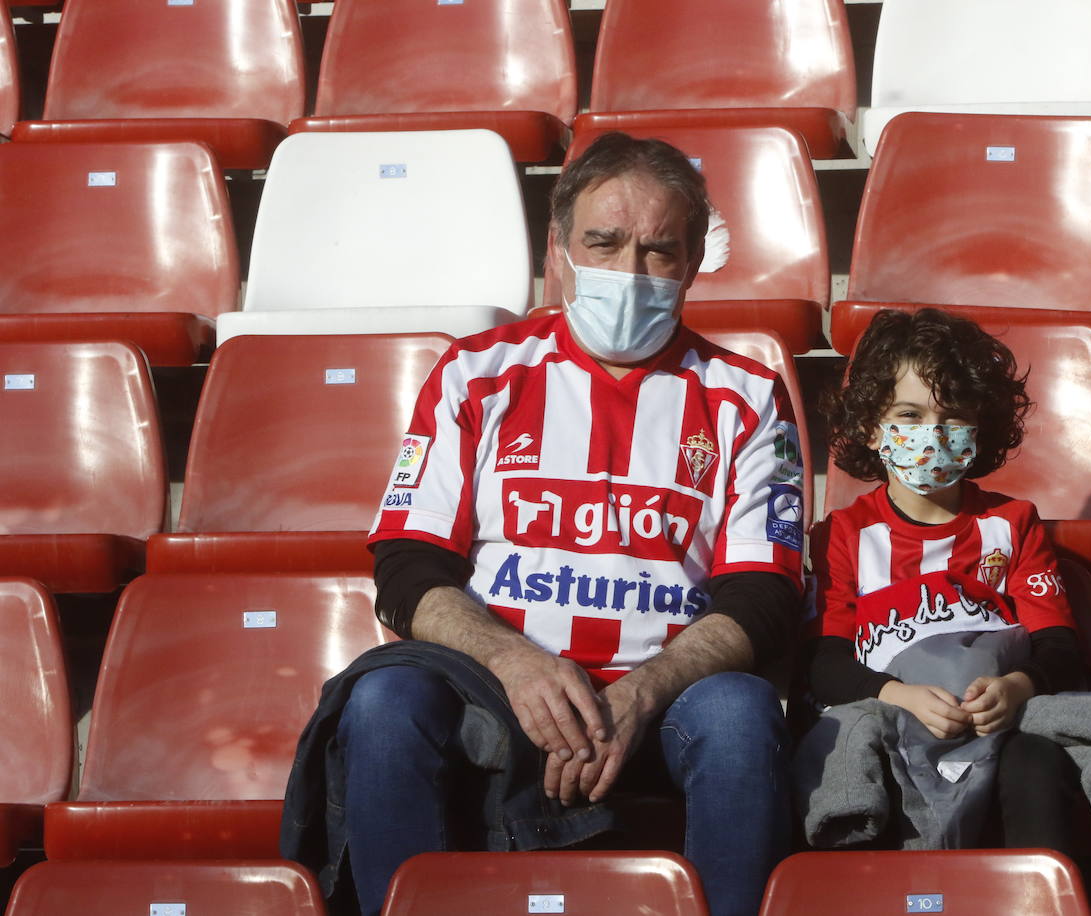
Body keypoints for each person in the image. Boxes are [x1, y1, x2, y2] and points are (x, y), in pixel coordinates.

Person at [281, 133, 805, 916]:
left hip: (665, 702)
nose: (628, 273)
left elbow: (763, 596)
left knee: (739, 714)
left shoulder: (748, 397)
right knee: (384, 703)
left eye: (658, 250)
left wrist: (641, 692)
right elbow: (407, 564)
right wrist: (516, 664)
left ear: (694, 262)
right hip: (498, 688)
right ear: (557, 248)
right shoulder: (474, 374)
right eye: (603, 242)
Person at [800, 306, 1084, 852]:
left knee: (1037, 760)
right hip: (889, 727)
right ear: (870, 426)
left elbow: (1060, 646)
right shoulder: (842, 533)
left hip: (998, 735)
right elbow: (826, 665)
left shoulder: (1013, 523)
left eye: (952, 417)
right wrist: (898, 696)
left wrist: (1016, 687)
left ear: (981, 427)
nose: (931, 435)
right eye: (908, 415)